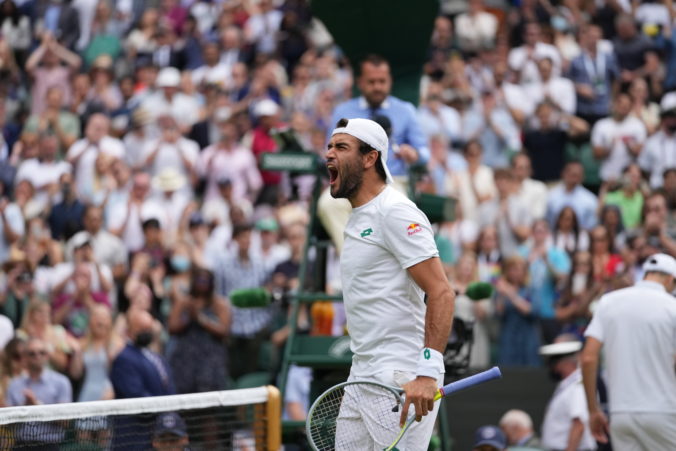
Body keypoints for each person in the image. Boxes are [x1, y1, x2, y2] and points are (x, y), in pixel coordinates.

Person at [326, 117, 454, 449]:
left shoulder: (395, 212)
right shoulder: (358, 216)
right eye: (329, 146)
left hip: (401, 376)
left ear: (370, 158)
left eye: (341, 147)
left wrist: (427, 373)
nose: (329, 154)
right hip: (361, 373)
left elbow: (441, 291)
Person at [581, 253, 676, 450]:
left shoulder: (608, 302)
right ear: (670, 280)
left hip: (620, 416)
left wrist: (593, 410)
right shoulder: (672, 307)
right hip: (664, 412)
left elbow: (588, 358)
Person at [330, 55, 429, 185]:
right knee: (328, 204)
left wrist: (414, 154)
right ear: (360, 82)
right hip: (350, 182)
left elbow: (425, 152)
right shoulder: (343, 112)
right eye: (371, 82)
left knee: (392, 204)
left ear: (390, 81)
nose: (377, 87)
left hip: (393, 181)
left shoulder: (406, 110)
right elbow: (330, 152)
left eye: (382, 81)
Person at [5, 337, 73, 448]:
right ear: (25, 357)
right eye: (32, 353)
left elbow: (65, 422)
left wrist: (37, 406)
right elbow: (7, 424)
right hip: (21, 445)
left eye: (42, 352)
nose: (37, 356)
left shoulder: (61, 382)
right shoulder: (14, 384)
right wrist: (24, 409)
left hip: (51, 445)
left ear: (47, 356)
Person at [540, 337, 596, 451]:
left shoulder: (577, 387)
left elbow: (579, 424)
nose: (553, 369)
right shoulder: (568, 385)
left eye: (553, 364)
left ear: (564, 363)